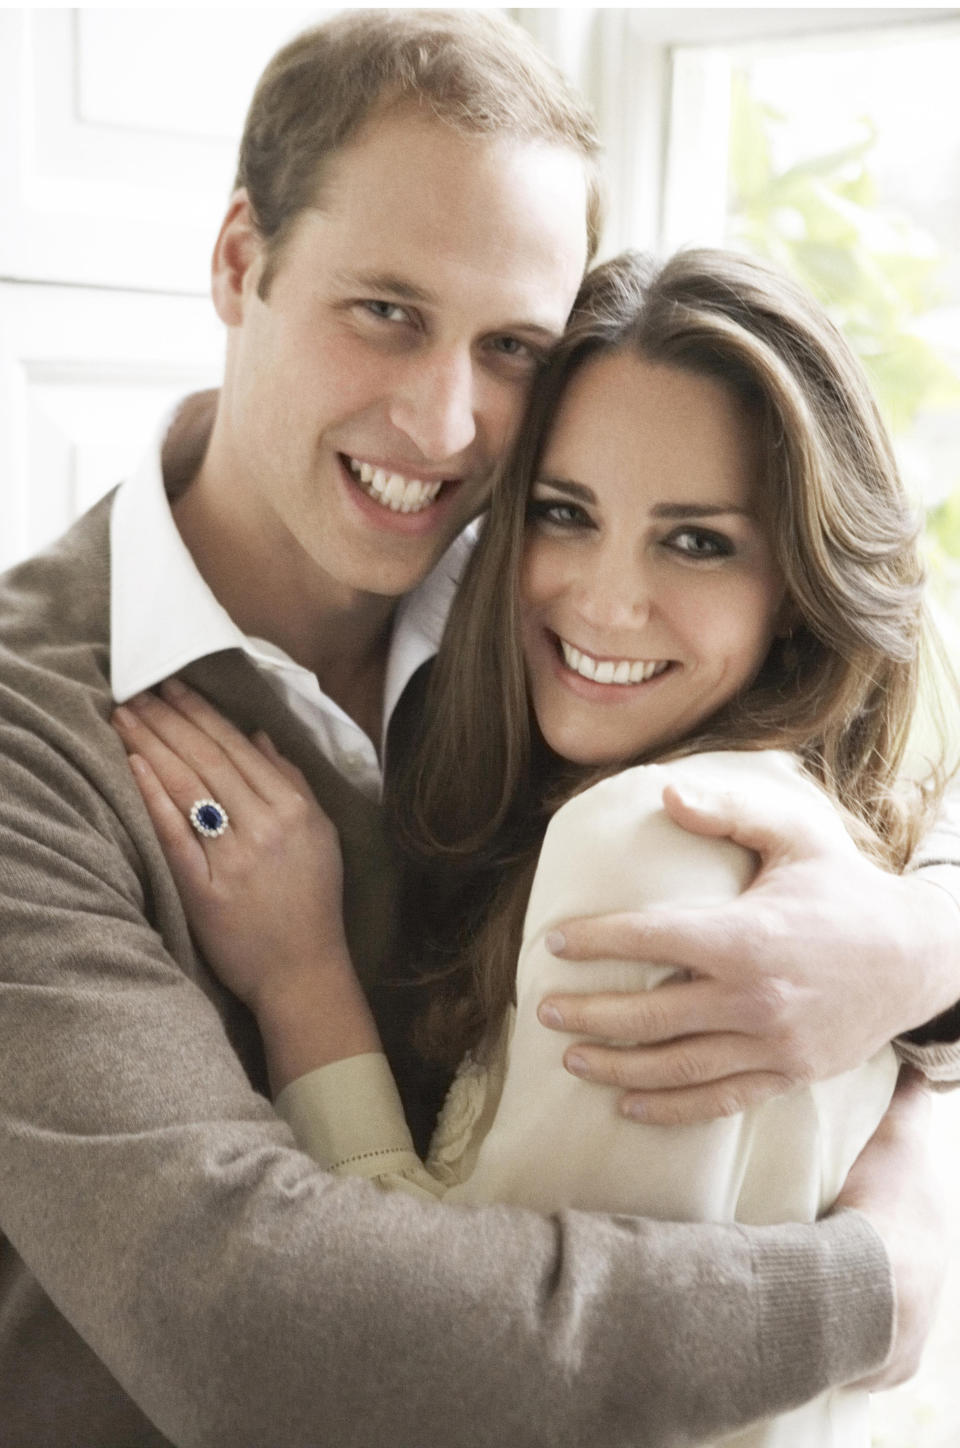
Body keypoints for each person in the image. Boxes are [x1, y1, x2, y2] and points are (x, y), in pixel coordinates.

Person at [0, 11, 956, 1447]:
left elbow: (896, 697)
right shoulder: (33, 739)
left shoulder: (563, 602)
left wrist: (915, 959)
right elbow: (254, 1332)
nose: (444, 426)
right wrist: (873, 1293)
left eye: (512, 344)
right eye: (385, 311)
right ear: (239, 263)